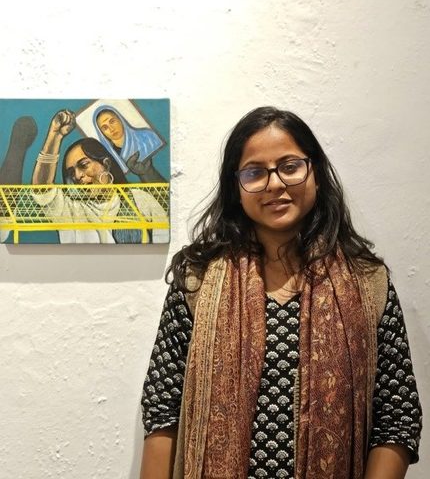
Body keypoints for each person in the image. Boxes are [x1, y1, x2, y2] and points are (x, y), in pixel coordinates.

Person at [139, 107, 422, 479]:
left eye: (289, 166)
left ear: (315, 172)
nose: (274, 184)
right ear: (236, 187)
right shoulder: (197, 281)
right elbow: (162, 410)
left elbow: (397, 418)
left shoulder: (368, 283)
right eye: (254, 172)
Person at [32, 110, 169, 244]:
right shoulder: (71, 210)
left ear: (106, 164)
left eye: (84, 165)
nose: (78, 176)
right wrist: (55, 135)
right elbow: (42, 190)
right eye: (72, 173)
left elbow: (163, 237)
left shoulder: (140, 199)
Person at [93, 106, 166, 183]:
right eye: (105, 128)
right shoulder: (109, 159)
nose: (111, 129)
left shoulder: (148, 137)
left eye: (112, 121)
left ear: (120, 119)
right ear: (101, 133)